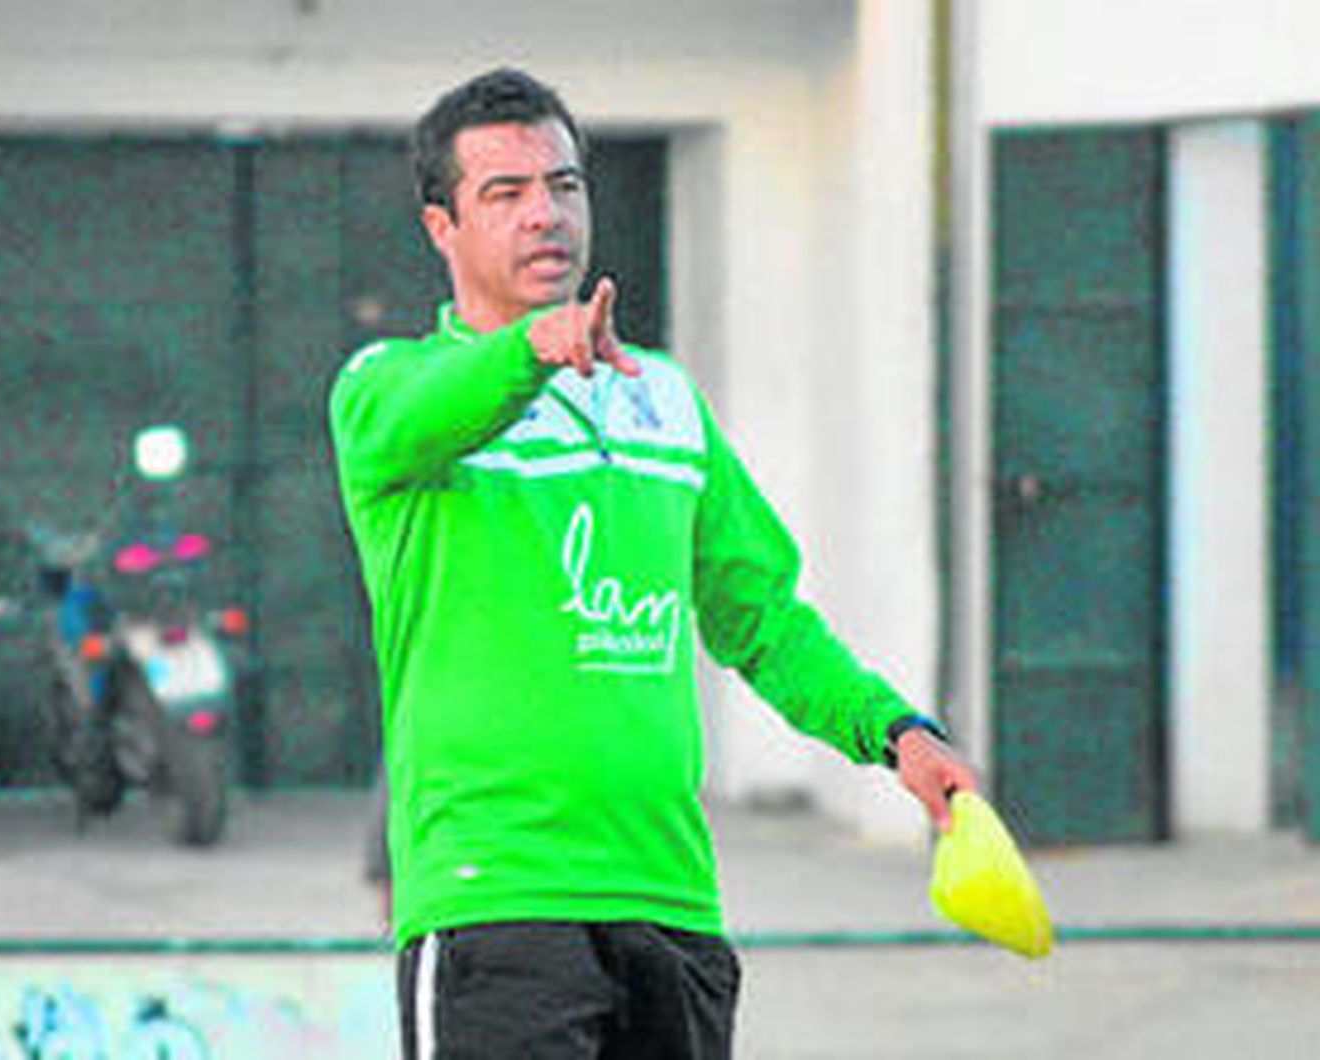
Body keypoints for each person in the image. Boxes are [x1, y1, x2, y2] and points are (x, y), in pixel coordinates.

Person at [328, 67, 978, 1059]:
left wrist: (894, 731)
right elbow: (423, 415)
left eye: (564, 184)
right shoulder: (389, 391)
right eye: (504, 194)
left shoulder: (666, 400)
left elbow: (760, 618)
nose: (544, 212)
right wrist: (534, 351)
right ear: (440, 228)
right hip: (493, 901)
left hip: (669, 900)